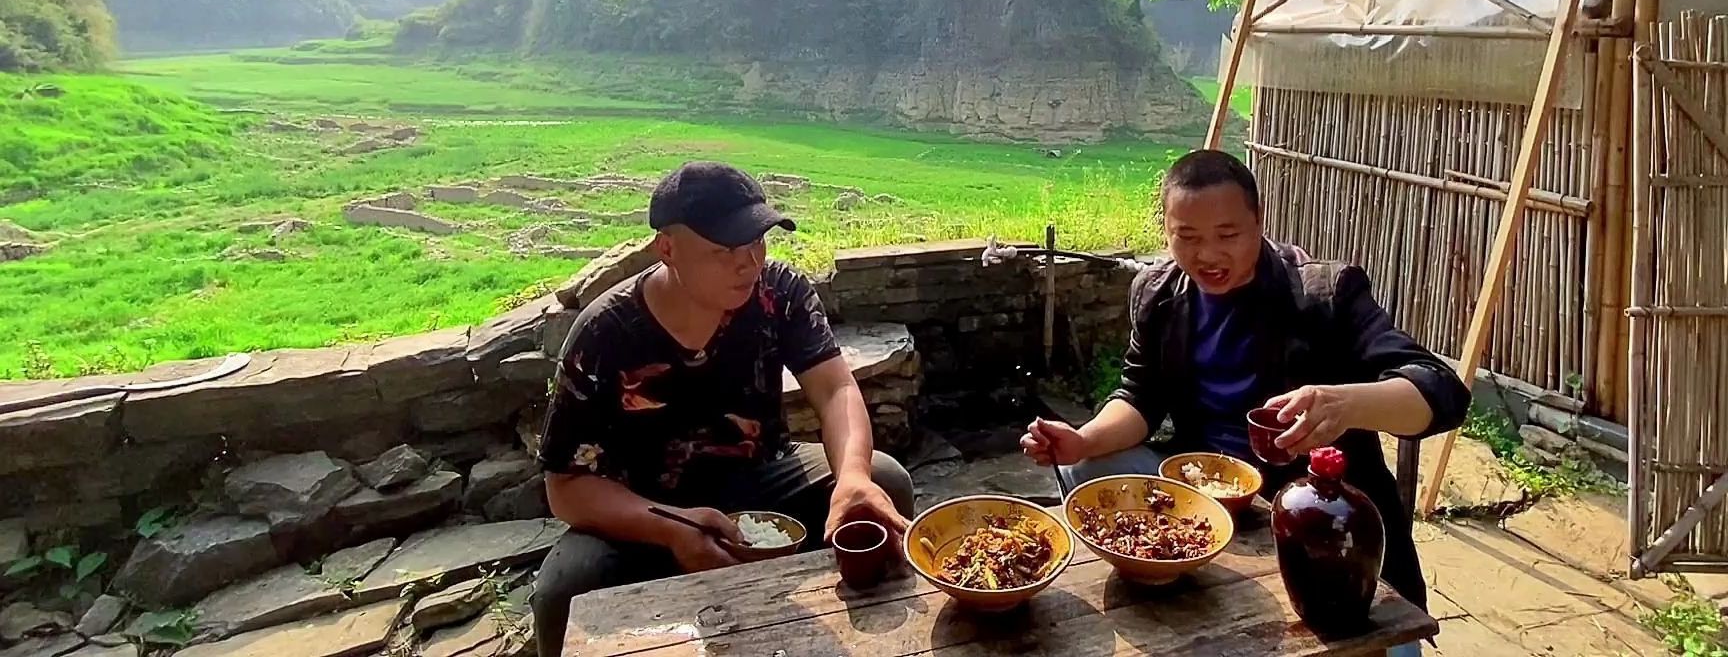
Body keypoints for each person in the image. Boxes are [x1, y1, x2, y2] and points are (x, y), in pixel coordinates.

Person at [1022, 149, 1469, 647]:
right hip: (1204, 496)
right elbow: (1139, 396)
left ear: (1259, 222)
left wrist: (1346, 404)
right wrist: (1081, 441)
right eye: (1186, 237)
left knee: (1381, 639)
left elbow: (1440, 387)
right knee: (1087, 466)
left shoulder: (1322, 294)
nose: (1207, 255)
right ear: (1166, 229)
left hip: (1310, 511)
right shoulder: (1159, 293)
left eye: (1228, 235)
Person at [531, 161, 915, 657]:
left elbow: (835, 389)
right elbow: (565, 487)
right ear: (667, 249)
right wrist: (671, 527)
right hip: (646, 503)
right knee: (562, 592)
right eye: (725, 251)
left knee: (881, 483)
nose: (749, 264)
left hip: (763, 472)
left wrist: (853, 477)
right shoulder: (604, 335)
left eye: (758, 243)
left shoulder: (779, 293)